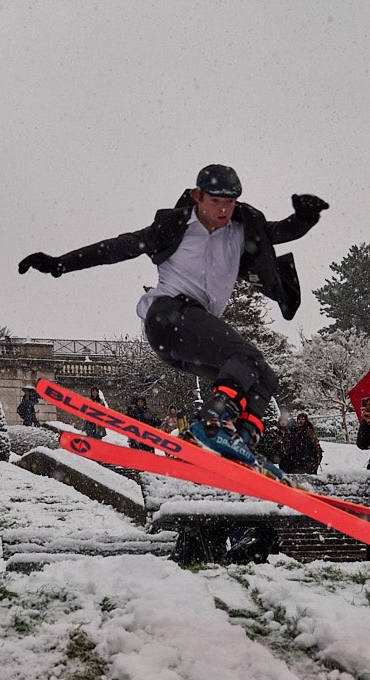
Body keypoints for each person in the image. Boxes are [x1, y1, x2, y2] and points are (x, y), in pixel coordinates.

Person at [19, 164, 327, 477]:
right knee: (246, 357)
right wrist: (61, 263)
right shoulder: (173, 226)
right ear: (197, 197)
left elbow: (280, 232)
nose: (223, 210)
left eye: (229, 202)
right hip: (168, 316)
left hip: (190, 337)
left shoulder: (244, 227)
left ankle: (240, 444)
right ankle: (212, 425)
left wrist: (304, 217)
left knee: (263, 377)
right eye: (215, 202)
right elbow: (118, 247)